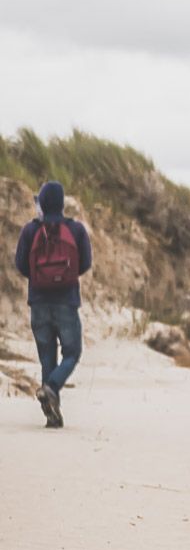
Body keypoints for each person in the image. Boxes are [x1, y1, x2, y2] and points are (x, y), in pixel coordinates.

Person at [14, 180, 92, 429]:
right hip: (66, 301)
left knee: (47, 356)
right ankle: (51, 388)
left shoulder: (30, 230)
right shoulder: (76, 229)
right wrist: (65, 277)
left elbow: (21, 264)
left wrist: (40, 279)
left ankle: (51, 414)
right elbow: (86, 262)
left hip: (38, 302)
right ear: (62, 202)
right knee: (72, 352)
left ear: (42, 203)